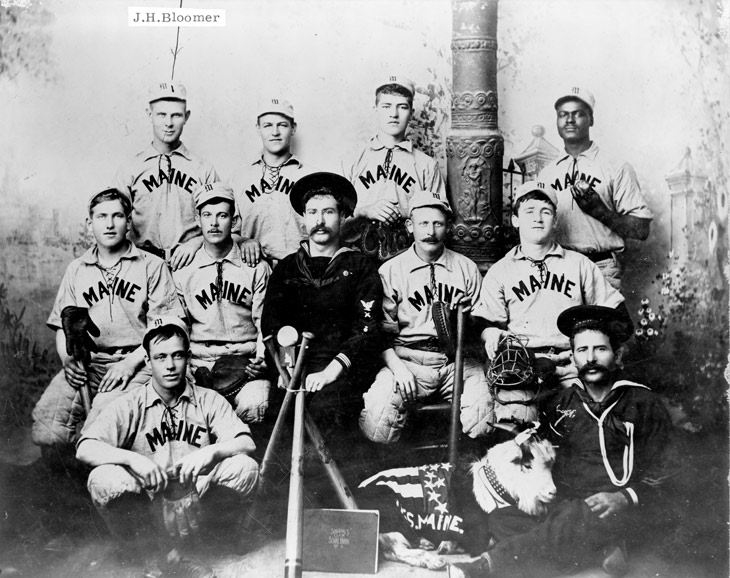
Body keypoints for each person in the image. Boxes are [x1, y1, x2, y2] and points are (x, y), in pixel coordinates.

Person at [448, 305, 674, 578]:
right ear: (573, 357)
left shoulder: (643, 403)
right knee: (503, 518)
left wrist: (623, 497)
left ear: (618, 354)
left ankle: (488, 566)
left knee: (573, 517)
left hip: (621, 508)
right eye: (582, 350)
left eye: (600, 349)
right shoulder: (563, 403)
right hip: (571, 509)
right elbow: (546, 464)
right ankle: (601, 549)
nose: (590, 358)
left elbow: (667, 475)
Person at [76, 316, 259, 578]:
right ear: (148, 362)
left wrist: (213, 451)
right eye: (160, 357)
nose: (170, 365)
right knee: (103, 477)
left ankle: (196, 551)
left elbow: (246, 442)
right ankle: (158, 555)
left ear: (188, 357)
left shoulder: (208, 399)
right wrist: (132, 459)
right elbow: (85, 447)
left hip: (197, 505)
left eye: (177, 356)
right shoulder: (131, 403)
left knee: (244, 466)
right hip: (150, 510)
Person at [31, 188, 183, 461]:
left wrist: (131, 363)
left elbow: (166, 328)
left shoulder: (152, 265)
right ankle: (70, 488)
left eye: (117, 216)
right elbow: (61, 325)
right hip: (88, 363)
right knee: (47, 429)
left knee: (100, 425)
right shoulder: (77, 269)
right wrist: (68, 361)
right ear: (90, 224)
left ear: (129, 221)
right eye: (102, 216)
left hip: (137, 364)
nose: (110, 223)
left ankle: (106, 483)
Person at [472, 181, 630, 410]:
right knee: (517, 426)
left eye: (545, 212)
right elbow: (484, 324)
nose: (537, 218)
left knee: (588, 424)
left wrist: (592, 355)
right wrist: (490, 332)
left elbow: (617, 315)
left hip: (573, 365)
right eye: (529, 212)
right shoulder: (500, 271)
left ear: (555, 220)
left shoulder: (579, 264)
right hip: (524, 366)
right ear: (515, 220)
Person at [359, 191, 493, 444]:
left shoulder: (466, 268)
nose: (430, 231)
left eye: (438, 223)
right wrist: (397, 369)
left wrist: (468, 320)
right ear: (410, 226)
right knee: (377, 426)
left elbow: (481, 327)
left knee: (483, 421)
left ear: (449, 227)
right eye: (423, 223)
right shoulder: (390, 270)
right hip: (407, 360)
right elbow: (378, 334)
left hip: (456, 362)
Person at [261, 172, 385, 437]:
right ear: (303, 218)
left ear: (342, 217)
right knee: (279, 417)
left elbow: (366, 329)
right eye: (312, 212)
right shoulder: (286, 269)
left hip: (342, 369)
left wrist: (330, 373)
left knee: (328, 412)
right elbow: (273, 324)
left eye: (328, 212)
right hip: (295, 365)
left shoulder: (361, 267)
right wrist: (288, 370)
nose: (319, 221)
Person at [173, 182, 272, 424]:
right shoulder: (184, 270)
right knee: (187, 415)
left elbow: (265, 323)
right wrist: (183, 367)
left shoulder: (256, 266)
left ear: (234, 220)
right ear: (198, 219)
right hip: (199, 363)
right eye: (207, 215)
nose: (214, 223)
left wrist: (262, 360)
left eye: (222, 215)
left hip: (246, 360)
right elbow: (178, 326)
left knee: (255, 406)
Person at [537, 87, 652, 290]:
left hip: (601, 267)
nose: (569, 120)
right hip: (558, 269)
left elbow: (642, 229)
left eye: (578, 113)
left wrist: (600, 211)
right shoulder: (547, 174)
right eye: (563, 115)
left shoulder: (615, 167)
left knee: (602, 322)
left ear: (591, 119)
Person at [112, 81, 220, 270]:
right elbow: (112, 221)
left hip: (190, 264)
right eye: (161, 114)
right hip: (142, 266)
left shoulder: (203, 169)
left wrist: (195, 243)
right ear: (149, 114)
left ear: (186, 117)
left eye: (176, 115)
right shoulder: (130, 169)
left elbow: (224, 224)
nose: (169, 123)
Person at [341, 76, 447, 261]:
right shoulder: (353, 160)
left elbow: (439, 220)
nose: (394, 114)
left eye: (402, 107)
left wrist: (406, 216)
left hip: (407, 258)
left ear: (411, 112)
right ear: (375, 110)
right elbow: (334, 219)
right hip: (356, 257)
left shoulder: (426, 165)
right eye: (386, 106)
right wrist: (364, 211)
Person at [232, 97, 316, 265]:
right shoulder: (238, 178)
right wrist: (243, 241)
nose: (275, 132)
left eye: (282, 125)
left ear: (293, 128)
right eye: (268, 125)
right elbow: (228, 232)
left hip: (299, 271)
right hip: (253, 269)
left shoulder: (310, 176)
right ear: (258, 128)